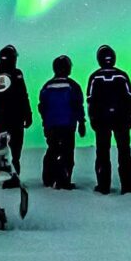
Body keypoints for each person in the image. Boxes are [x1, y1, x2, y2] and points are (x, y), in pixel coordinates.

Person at [86, 45, 131, 195]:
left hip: (102, 121)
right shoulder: (122, 75)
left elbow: (90, 100)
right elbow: (130, 97)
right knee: (124, 152)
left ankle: (103, 186)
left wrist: (93, 119)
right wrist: (129, 117)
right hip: (121, 120)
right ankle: (127, 186)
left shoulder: (94, 76)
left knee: (102, 153)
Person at [0, 44, 32, 189]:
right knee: (15, 149)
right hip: (16, 119)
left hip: (1, 119)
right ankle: (11, 177)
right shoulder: (16, 74)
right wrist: (27, 114)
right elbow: (23, 95)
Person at [38, 55, 86, 189]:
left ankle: (48, 179)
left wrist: (45, 122)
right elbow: (78, 105)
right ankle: (63, 180)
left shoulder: (47, 86)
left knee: (52, 150)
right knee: (67, 153)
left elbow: (42, 106)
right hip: (68, 125)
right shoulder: (73, 85)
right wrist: (81, 122)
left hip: (51, 125)